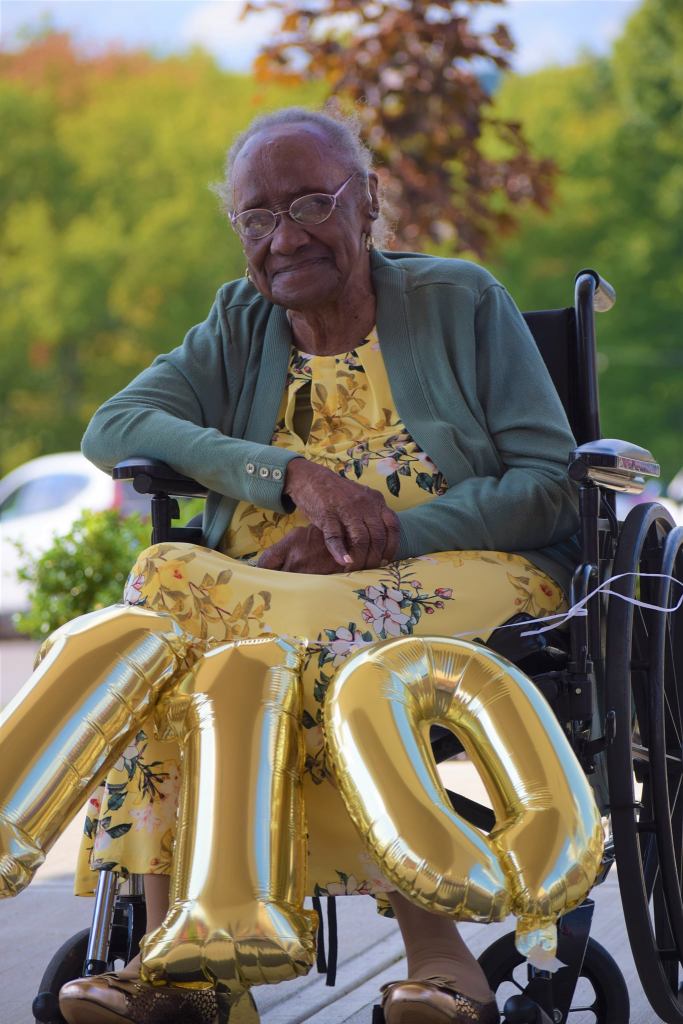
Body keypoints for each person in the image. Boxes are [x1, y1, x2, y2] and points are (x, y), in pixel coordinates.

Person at [44, 106, 578, 1024]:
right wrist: (291, 475)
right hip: (271, 592)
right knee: (161, 603)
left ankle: (441, 958)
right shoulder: (240, 320)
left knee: (314, 642)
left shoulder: (459, 300)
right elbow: (114, 425)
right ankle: (177, 955)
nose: (284, 237)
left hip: (465, 568)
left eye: (309, 204)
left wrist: (388, 533)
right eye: (257, 217)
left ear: (366, 201)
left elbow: (549, 484)